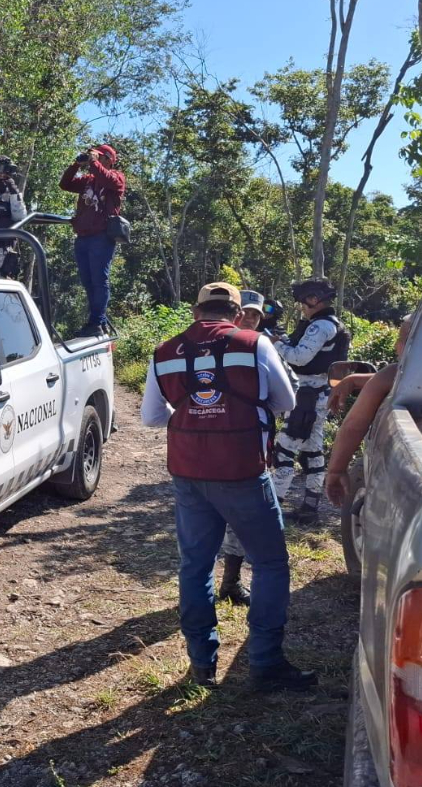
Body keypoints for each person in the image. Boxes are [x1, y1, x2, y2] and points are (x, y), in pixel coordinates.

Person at [141, 282, 316, 691]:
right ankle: (265, 662)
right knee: (270, 563)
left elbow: (151, 416)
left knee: (195, 565)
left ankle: (202, 665)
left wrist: (194, 411)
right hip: (241, 470)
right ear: (237, 314)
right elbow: (285, 402)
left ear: (196, 311)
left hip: (187, 472)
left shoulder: (166, 351)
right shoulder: (255, 343)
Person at [270, 277, 351, 525]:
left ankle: (272, 506)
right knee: (312, 451)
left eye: (303, 301)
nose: (301, 307)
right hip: (318, 395)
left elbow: (300, 358)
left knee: (285, 450)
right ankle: (310, 506)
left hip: (307, 395)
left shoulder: (320, 326)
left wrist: (275, 346)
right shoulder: (326, 324)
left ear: (314, 299)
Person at [324, 315, 412, 506]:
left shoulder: (396, 374)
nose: (396, 346)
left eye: (401, 340)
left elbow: (353, 426)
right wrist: (354, 379)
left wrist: (336, 470)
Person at [217, 289, 266, 606]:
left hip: (249, 450)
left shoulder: (265, 348)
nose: (249, 318)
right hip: (212, 449)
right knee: (209, 522)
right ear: (234, 314)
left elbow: (287, 394)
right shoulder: (211, 347)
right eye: (244, 312)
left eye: (255, 314)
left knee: (239, 522)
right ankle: (203, 590)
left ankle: (230, 582)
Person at [59, 144, 126, 336]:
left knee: (99, 279)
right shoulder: (88, 180)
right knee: (87, 281)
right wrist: (75, 165)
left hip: (102, 237)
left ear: (107, 158)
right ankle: (97, 321)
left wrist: (94, 162)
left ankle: (96, 321)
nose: (92, 156)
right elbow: (65, 184)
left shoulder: (117, 177)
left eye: (97, 154)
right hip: (83, 237)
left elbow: (107, 179)